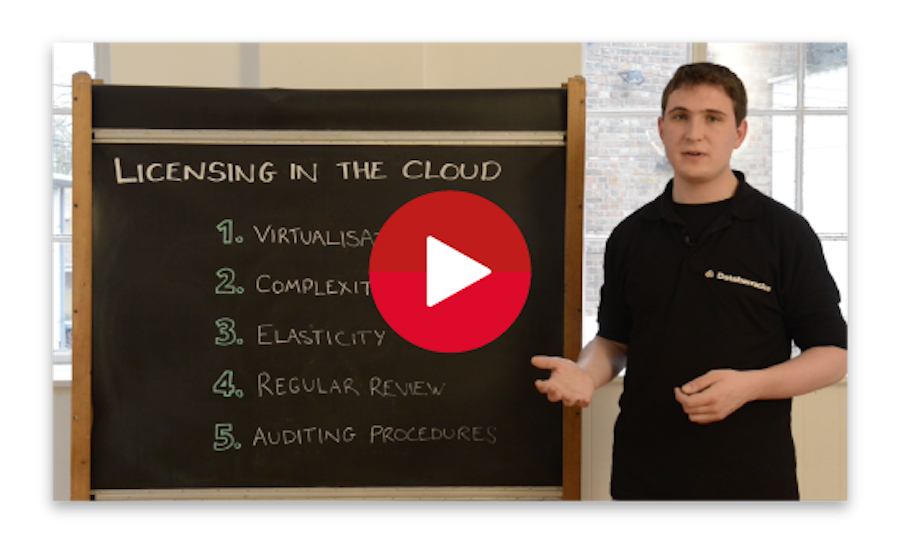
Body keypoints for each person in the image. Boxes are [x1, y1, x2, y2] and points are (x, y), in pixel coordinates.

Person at [532, 63, 849, 501]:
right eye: (680, 116)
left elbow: (833, 355)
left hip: (753, 484)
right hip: (642, 482)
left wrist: (749, 386)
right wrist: (587, 375)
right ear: (662, 129)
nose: (694, 134)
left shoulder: (784, 234)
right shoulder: (630, 236)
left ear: (739, 133)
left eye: (712, 118)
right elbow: (614, 342)